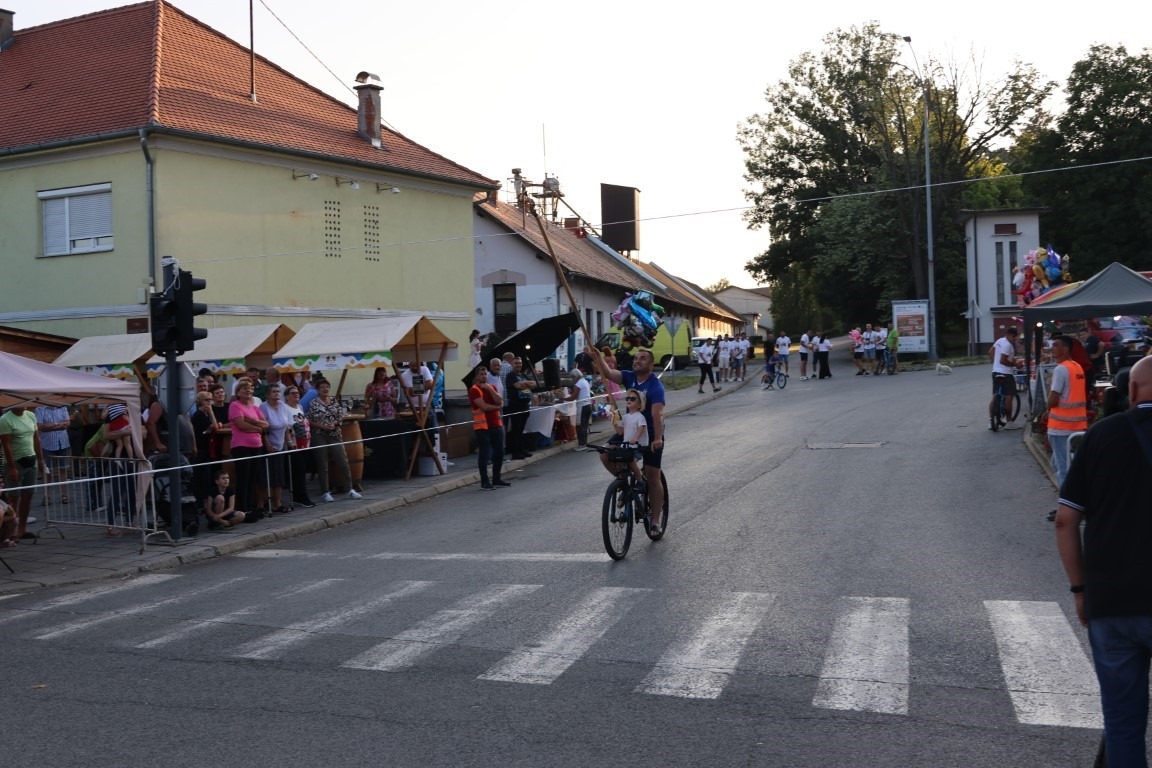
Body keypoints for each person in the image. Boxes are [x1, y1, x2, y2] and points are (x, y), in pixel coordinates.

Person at [1055, 356, 1152, 767]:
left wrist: (1079, 590)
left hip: (1111, 600)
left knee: (1123, 722)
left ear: (1130, 391)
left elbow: (1065, 520)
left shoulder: (1101, 436)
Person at [594, 348, 666, 535]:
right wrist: (598, 357)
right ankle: (624, 482)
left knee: (653, 475)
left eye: (642, 358)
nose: (637, 361)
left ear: (650, 365)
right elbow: (609, 373)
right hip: (628, 429)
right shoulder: (629, 376)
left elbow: (657, 415)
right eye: (636, 358)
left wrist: (657, 438)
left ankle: (656, 521)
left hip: (649, 433)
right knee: (605, 452)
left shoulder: (655, 386)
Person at [306, 377, 361, 503]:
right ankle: (325, 491)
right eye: (322, 387)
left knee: (342, 461)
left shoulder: (334, 401)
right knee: (322, 463)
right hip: (319, 434)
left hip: (334, 434)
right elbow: (309, 420)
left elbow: (340, 416)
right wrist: (323, 426)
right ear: (318, 390)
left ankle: (349, 489)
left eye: (327, 387)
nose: (325, 389)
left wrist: (334, 423)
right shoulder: (314, 403)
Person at [1046, 334, 1088, 488]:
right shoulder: (1077, 367)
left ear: (1065, 349)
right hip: (1077, 426)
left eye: (1056, 345)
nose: (1052, 348)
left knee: (1063, 469)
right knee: (1060, 465)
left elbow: (1053, 399)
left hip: (1060, 427)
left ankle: (1068, 505)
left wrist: (1048, 403)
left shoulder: (1060, 369)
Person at [0, 404, 46, 541]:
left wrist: (41, 459)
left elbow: (36, 438)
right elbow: (6, 444)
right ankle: (11, 531)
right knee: (14, 497)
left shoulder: (31, 416)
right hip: (15, 462)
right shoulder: (5, 419)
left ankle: (22, 529)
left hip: (31, 461)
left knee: (28, 496)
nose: (24, 404)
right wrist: (12, 467)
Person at [228, 378, 269, 518]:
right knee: (243, 478)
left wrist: (252, 421)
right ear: (238, 392)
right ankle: (242, 509)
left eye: (250, 389)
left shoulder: (255, 408)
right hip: (241, 446)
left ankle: (250, 507)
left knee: (253, 478)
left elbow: (266, 424)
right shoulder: (235, 405)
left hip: (256, 446)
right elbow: (241, 425)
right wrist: (257, 428)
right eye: (245, 389)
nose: (248, 391)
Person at [469, 366, 509, 490]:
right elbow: (484, 407)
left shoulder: (492, 387)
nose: (484, 376)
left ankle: (496, 478)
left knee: (499, 452)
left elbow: (500, 400)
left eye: (485, 374)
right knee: (485, 454)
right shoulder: (474, 390)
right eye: (481, 374)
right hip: (483, 426)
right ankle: (484, 481)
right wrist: (497, 407)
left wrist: (489, 389)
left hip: (496, 424)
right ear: (476, 376)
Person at [260, 383, 293, 514]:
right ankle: (262, 503)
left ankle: (277, 503)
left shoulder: (283, 406)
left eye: (278, 391)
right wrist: (267, 444)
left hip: (280, 445)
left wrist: (289, 441)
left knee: (279, 475)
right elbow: (263, 428)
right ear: (268, 394)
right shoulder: (263, 407)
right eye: (274, 392)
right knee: (266, 476)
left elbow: (285, 426)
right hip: (268, 444)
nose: (277, 394)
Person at [282, 385, 316, 508]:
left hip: (305, 443)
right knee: (298, 471)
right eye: (292, 393)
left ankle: (300, 496)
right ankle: (301, 496)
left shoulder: (300, 407)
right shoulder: (285, 408)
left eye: (297, 392)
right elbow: (287, 425)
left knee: (303, 470)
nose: (296, 394)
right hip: (294, 444)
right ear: (286, 396)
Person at [35, 403, 72, 505]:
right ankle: (46, 497)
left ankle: (64, 495)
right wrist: (58, 424)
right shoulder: (40, 408)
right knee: (47, 471)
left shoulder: (63, 407)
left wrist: (51, 425)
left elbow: (68, 423)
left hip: (62, 442)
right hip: (47, 443)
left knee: (63, 469)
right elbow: (40, 426)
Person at [614, 388, 648, 490]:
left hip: (637, 446)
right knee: (618, 461)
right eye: (627, 398)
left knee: (632, 461)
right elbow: (620, 432)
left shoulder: (640, 417)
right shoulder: (625, 417)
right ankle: (622, 482)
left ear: (639, 404)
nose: (629, 400)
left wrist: (635, 438)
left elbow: (640, 429)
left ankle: (640, 480)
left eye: (633, 399)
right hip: (627, 446)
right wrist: (614, 423)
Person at [989, 326, 1021, 430]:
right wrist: (1014, 365)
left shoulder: (1000, 340)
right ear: (1012, 335)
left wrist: (995, 364)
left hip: (995, 372)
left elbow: (990, 352)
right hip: (1006, 374)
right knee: (1009, 397)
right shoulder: (1008, 345)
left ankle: (991, 421)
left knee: (995, 396)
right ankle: (1009, 422)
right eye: (1015, 338)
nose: (1015, 340)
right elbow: (1003, 360)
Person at [503, 357, 534, 459]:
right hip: (515, 406)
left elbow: (534, 384)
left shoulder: (523, 375)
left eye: (520, 363)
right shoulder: (510, 375)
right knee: (516, 430)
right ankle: (515, 452)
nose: (518, 365)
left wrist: (524, 384)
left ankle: (521, 449)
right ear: (512, 364)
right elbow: (517, 386)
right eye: (516, 363)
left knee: (521, 429)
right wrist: (526, 385)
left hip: (525, 406)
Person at [399, 359, 436, 428]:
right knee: (414, 429)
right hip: (413, 407)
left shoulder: (425, 369)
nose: (415, 367)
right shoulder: (404, 375)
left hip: (427, 406)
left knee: (433, 428)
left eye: (416, 365)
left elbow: (430, 385)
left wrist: (416, 389)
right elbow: (410, 393)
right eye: (413, 365)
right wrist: (425, 385)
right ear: (409, 364)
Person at [569, 367, 593, 447]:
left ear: (576, 376)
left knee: (580, 426)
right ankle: (584, 443)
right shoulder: (585, 381)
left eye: (573, 377)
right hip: (588, 405)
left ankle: (582, 444)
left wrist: (563, 399)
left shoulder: (578, 384)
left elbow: (573, 397)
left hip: (582, 406)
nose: (572, 379)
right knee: (585, 425)